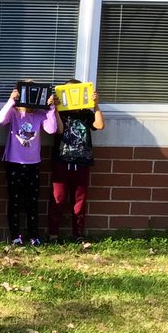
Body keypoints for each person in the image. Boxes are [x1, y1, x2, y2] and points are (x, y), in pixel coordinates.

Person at [0, 80, 60, 246]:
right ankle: (15, 236)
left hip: (33, 164)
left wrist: (51, 108)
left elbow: (52, 129)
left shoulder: (39, 114)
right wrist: (11, 100)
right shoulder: (14, 113)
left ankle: (33, 235)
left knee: (32, 201)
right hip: (14, 162)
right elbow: (0, 121)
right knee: (15, 201)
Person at [49, 81, 105, 242]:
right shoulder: (61, 113)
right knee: (58, 199)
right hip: (62, 162)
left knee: (80, 201)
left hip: (82, 164)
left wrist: (95, 105)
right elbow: (59, 130)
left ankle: (78, 235)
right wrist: (55, 108)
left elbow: (99, 125)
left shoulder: (85, 113)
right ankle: (53, 235)